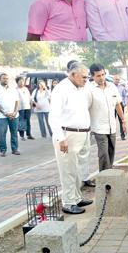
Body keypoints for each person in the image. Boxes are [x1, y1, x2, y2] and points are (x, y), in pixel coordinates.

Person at [49, 63, 93, 214]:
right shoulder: (61, 89)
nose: (86, 79)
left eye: (87, 77)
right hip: (68, 135)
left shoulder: (81, 88)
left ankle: (77, 198)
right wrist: (61, 138)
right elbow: (53, 116)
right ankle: (68, 202)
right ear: (72, 74)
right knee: (68, 170)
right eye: (83, 77)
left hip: (83, 134)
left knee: (78, 169)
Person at [87, 64, 126, 171]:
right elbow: (85, 108)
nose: (102, 78)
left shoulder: (112, 86)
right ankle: (105, 177)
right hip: (98, 127)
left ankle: (109, 174)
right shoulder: (89, 89)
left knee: (111, 151)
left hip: (112, 126)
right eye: (98, 76)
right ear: (92, 76)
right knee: (103, 153)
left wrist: (123, 121)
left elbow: (118, 104)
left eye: (103, 74)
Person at [0, 73, 20, 156]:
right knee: (2, 133)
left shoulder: (13, 89)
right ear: (0, 79)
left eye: (7, 78)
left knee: (14, 133)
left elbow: (17, 101)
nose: (5, 80)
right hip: (2, 116)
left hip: (14, 115)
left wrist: (15, 112)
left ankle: (15, 149)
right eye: (4, 78)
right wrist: (5, 113)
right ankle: (3, 150)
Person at [16, 76, 34, 140]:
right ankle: (22, 136)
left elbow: (30, 97)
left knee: (28, 121)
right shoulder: (15, 90)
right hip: (20, 108)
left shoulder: (26, 89)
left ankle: (29, 135)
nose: (21, 83)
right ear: (17, 82)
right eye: (20, 81)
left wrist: (31, 103)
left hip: (27, 107)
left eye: (22, 81)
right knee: (22, 122)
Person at [113, 75, 128, 140]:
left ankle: (123, 135)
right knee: (112, 121)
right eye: (116, 79)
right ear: (113, 79)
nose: (117, 80)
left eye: (118, 79)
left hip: (120, 104)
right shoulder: (110, 87)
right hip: (112, 105)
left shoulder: (122, 87)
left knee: (121, 120)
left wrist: (124, 104)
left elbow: (125, 96)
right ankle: (112, 135)